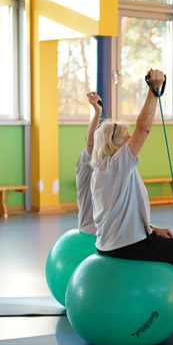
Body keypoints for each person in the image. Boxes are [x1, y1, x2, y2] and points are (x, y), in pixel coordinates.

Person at [90, 69, 173, 298]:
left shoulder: (103, 171)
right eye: (125, 137)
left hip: (112, 243)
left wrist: (152, 228)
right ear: (111, 144)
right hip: (129, 247)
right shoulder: (117, 165)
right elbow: (143, 128)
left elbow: (116, 215)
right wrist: (153, 91)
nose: (129, 139)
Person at [75, 91, 102, 237]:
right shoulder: (87, 160)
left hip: (107, 226)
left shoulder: (109, 163)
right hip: (91, 228)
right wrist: (97, 112)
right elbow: (91, 143)